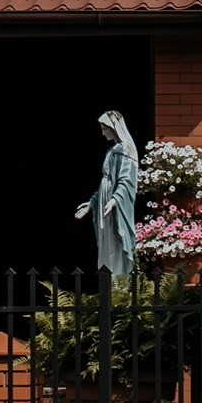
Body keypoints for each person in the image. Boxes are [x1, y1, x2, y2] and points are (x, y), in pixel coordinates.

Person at [77, 108, 140, 281]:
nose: (103, 133)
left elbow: (126, 180)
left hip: (115, 207)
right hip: (105, 202)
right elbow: (107, 181)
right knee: (107, 247)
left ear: (114, 127)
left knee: (115, 245)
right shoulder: (113, 150)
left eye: (105, 129)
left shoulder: (124, 150)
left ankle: (118, 288)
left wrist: (115, 200)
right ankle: (110, 289)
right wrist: (92, 203)